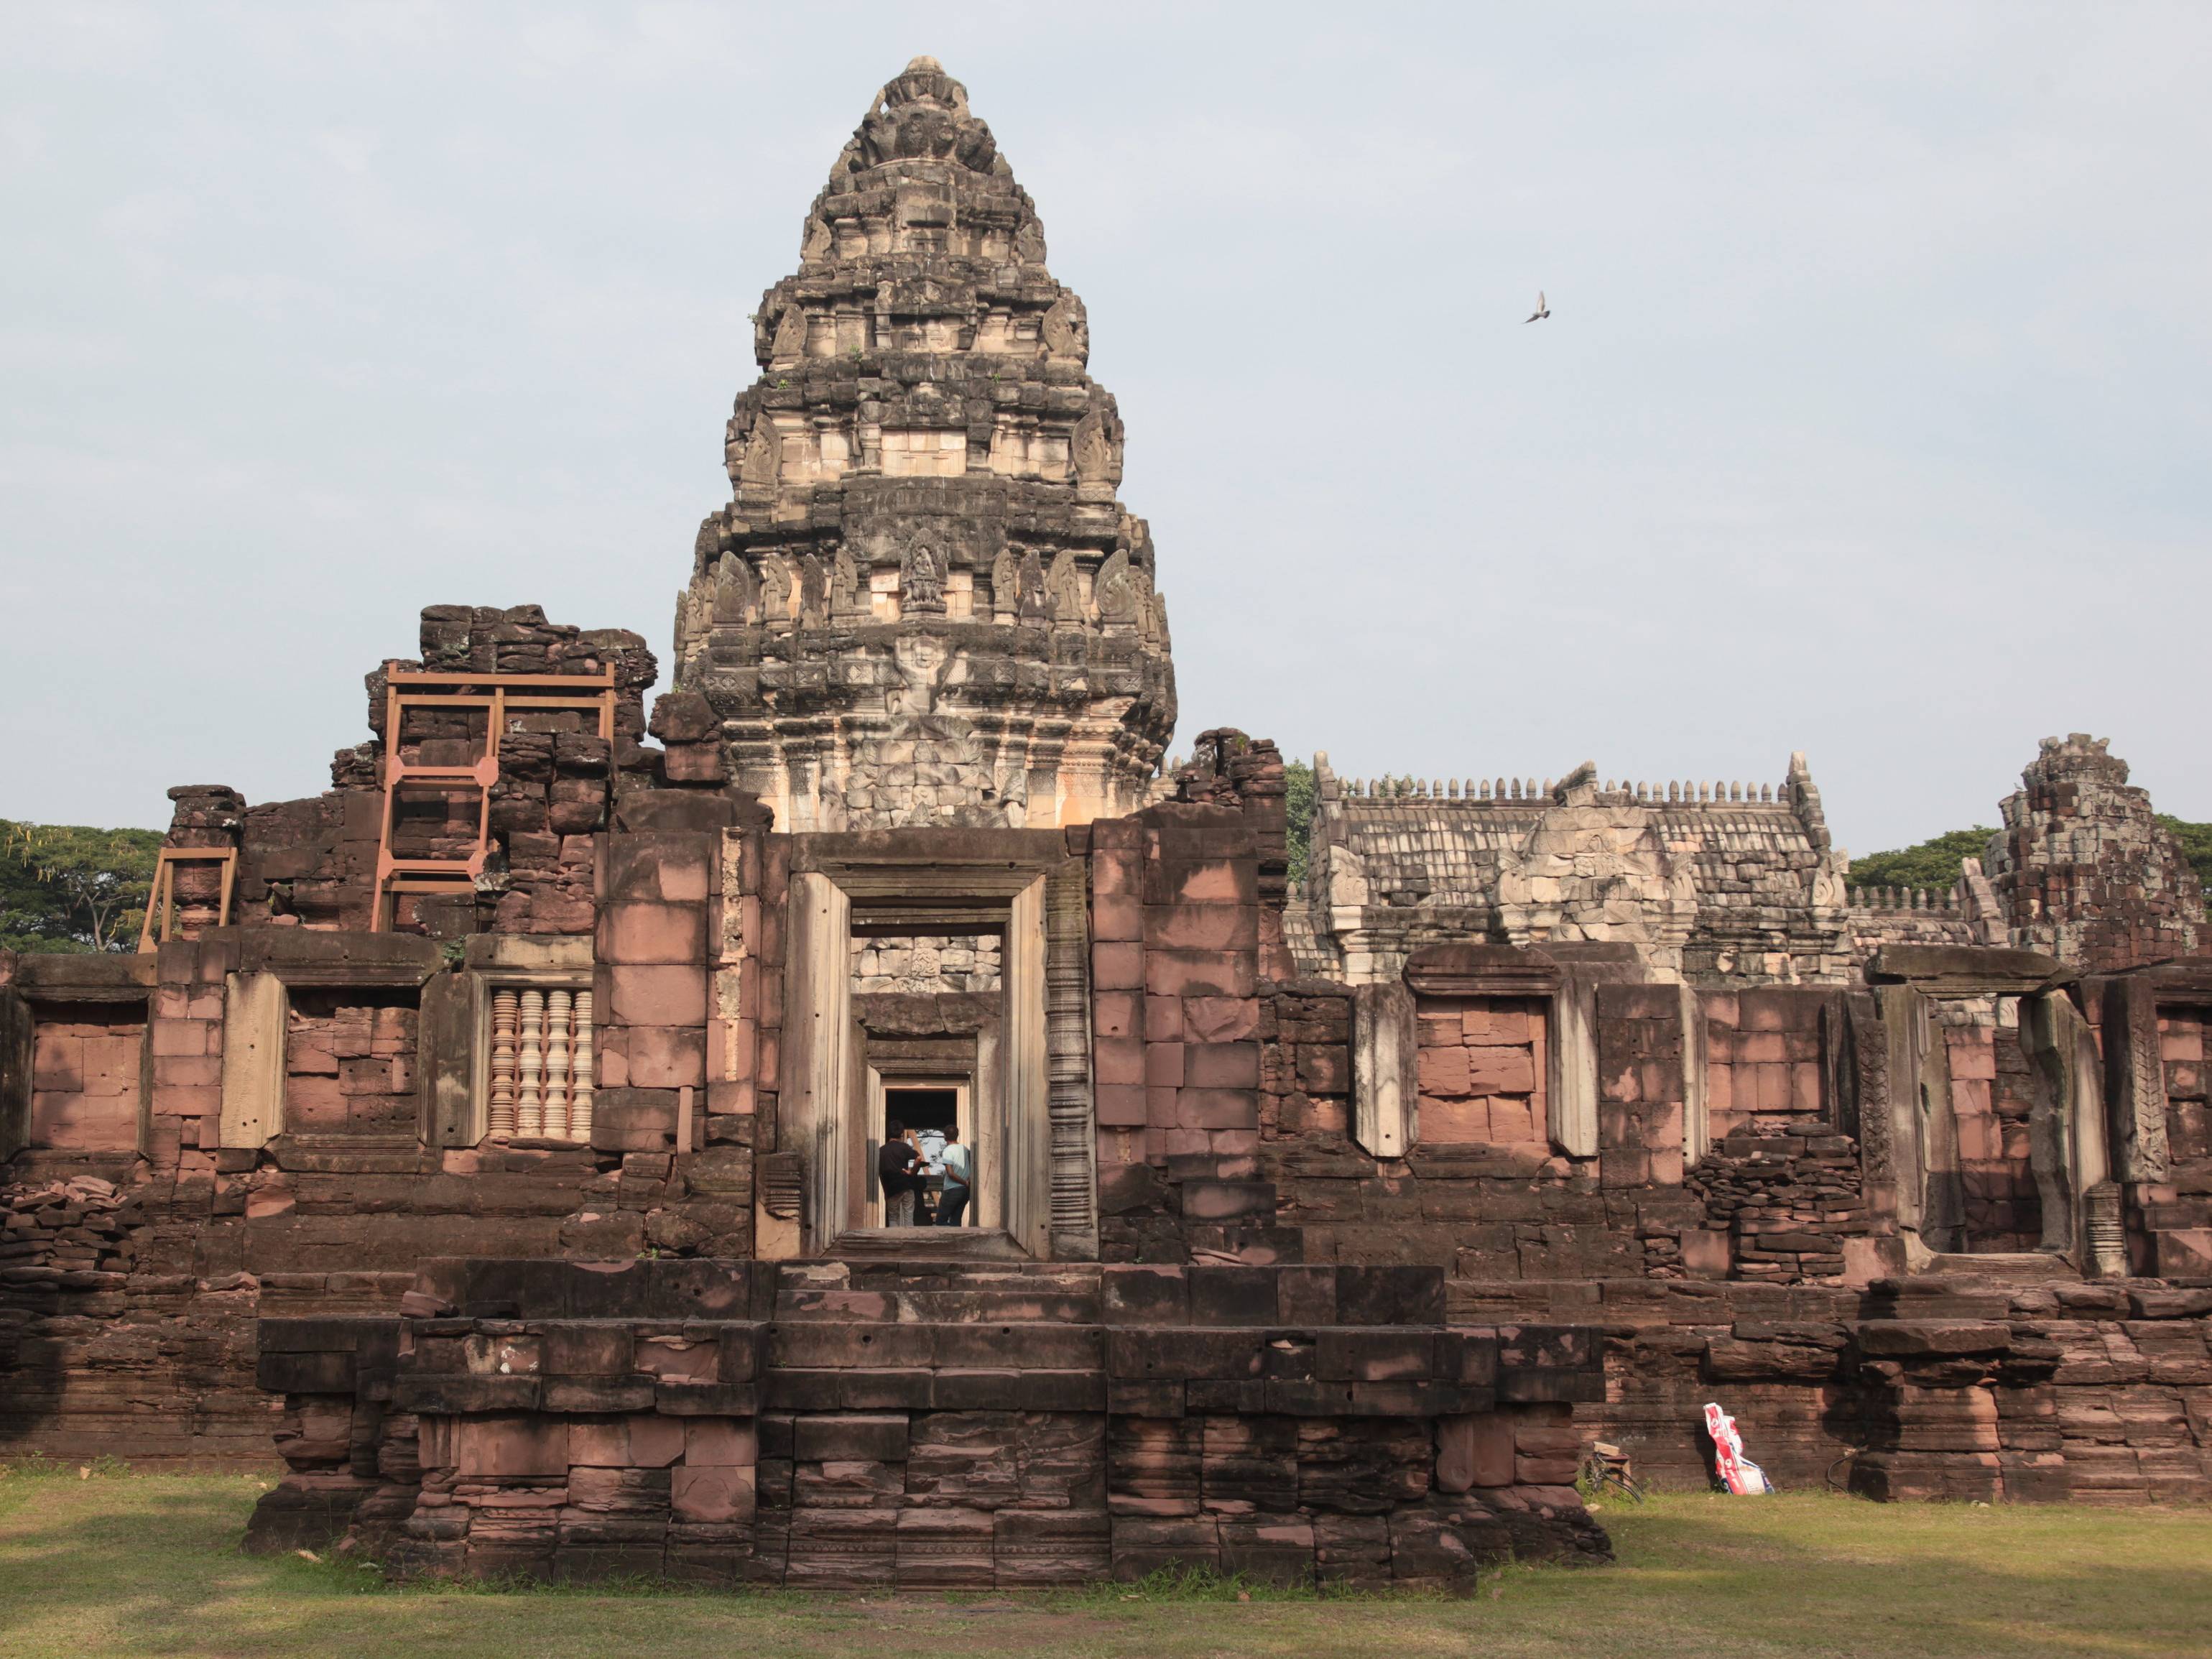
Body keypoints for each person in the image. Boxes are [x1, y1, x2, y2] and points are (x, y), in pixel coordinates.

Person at [878, 1120, 920, 1226]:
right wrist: (912, 1171)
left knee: (893, 1218)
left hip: (891, 1188)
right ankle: (909, 1239)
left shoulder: (881, 1151)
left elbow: (881, 1171)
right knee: (908, 1216)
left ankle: (894, 1241)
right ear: (902, 1133)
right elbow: (918, 1157)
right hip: (906, 1185)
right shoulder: (904, 1147)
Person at [938, 1127, 972, 1229]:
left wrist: (964, 1182)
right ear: (957, 1135)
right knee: (956, 1222)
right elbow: (973, 1166)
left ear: (944, 1136)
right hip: (965, 1191)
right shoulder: (965, 1149)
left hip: (952, 1190)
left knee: (940, 1221)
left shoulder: (947, 1151)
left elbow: (950, 1173)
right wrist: (968, 1181)